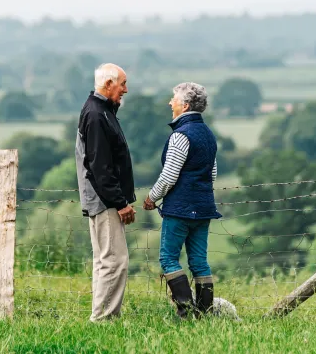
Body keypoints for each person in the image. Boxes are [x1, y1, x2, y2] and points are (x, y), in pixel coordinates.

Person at [143, 82, 221, 318]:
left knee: (168, 258)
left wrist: (151, 197)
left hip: (180, 209)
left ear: (185, 105)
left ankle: (185, 311)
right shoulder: (209, 135)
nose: (170, 102)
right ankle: (204, 313)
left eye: (173, 99)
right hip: (204, 207)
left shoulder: (180, 135)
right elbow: (213, 173)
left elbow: (169, 176)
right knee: (199, 261)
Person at [75, 63, 137, 322]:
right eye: (122, 83)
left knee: (104, 260)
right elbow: (100, 166)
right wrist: (119, 202)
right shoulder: (97, 115)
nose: (125, 89)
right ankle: (104, 320)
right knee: (115, 260)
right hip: (104, 199)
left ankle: (100, 316)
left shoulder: (101, 110)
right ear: (109, 84)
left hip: (101, 197)